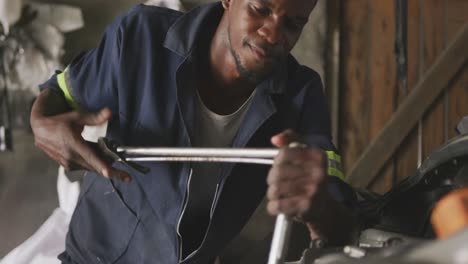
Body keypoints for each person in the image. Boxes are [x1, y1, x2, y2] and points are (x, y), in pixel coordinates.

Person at [30, 0, 357, 263]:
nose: (273, 35)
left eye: (292, 25)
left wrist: (317, 207)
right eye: (261, 9)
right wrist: (41, 121)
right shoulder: (139, 38)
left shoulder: (301, 95)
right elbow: (59, 92)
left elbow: (342, 226)